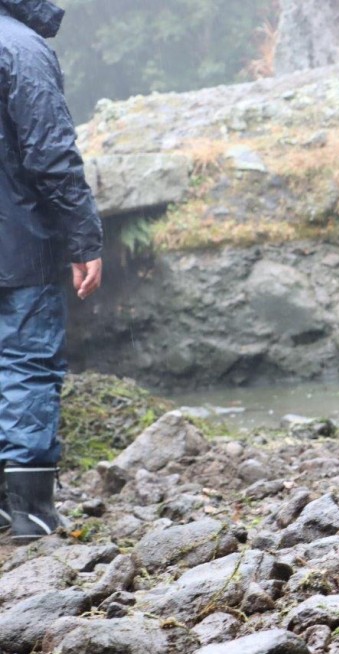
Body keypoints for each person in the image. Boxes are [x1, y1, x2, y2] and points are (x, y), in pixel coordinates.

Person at [0, 0, 103, 542]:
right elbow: (51, 155)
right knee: (26, 363)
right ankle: (30, 513)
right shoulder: (20, 48)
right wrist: (83, 239)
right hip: (20, 243)